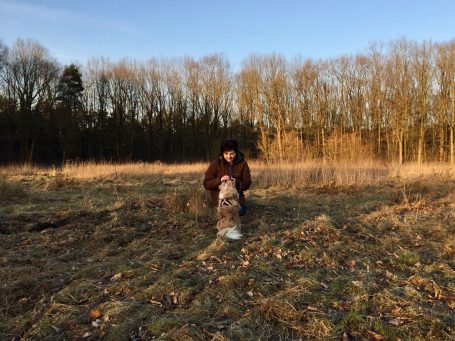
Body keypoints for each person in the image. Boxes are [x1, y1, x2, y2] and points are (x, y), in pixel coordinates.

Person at [203, 139, 251, 215]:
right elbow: (206, 184)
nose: (229, 156)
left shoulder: (243, 163)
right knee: (226, 211)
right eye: (226, 153)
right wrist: (220, 180)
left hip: (237, 199)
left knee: (240, 211)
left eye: (231, 153)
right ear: (222, 153)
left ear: (236, 152)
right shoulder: (216, 163)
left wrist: (235, 182)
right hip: (220, 199)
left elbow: (247, 183)